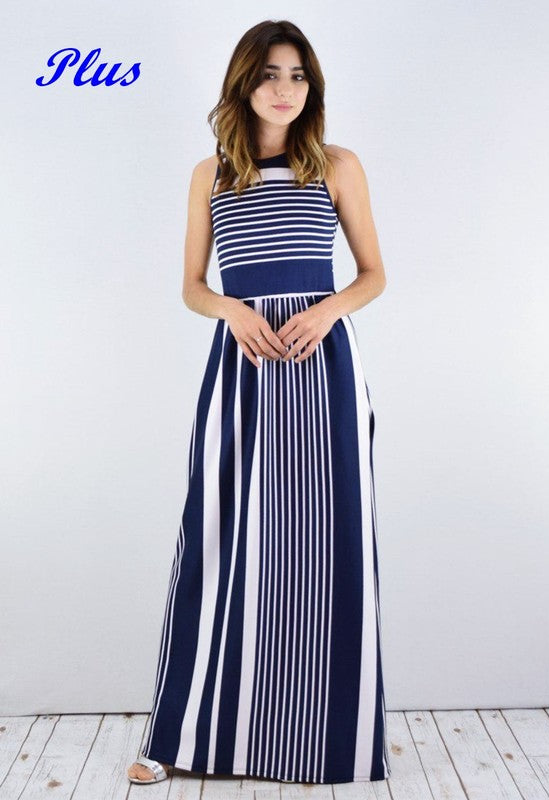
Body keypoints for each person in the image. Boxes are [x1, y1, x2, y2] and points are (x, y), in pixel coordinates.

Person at [127, 18, 390, 786]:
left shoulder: (337, 165)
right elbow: (192, 287)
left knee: (325, 547)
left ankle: (323, 742)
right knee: (215, 540)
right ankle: (177, 739)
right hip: (240, 375)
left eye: (298, 75)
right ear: (244, 82)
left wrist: (330, 307)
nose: (285, 88)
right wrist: (234, 311)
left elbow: (374, 273)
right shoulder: (211, 176)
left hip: (323, 372)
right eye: (271, 74)